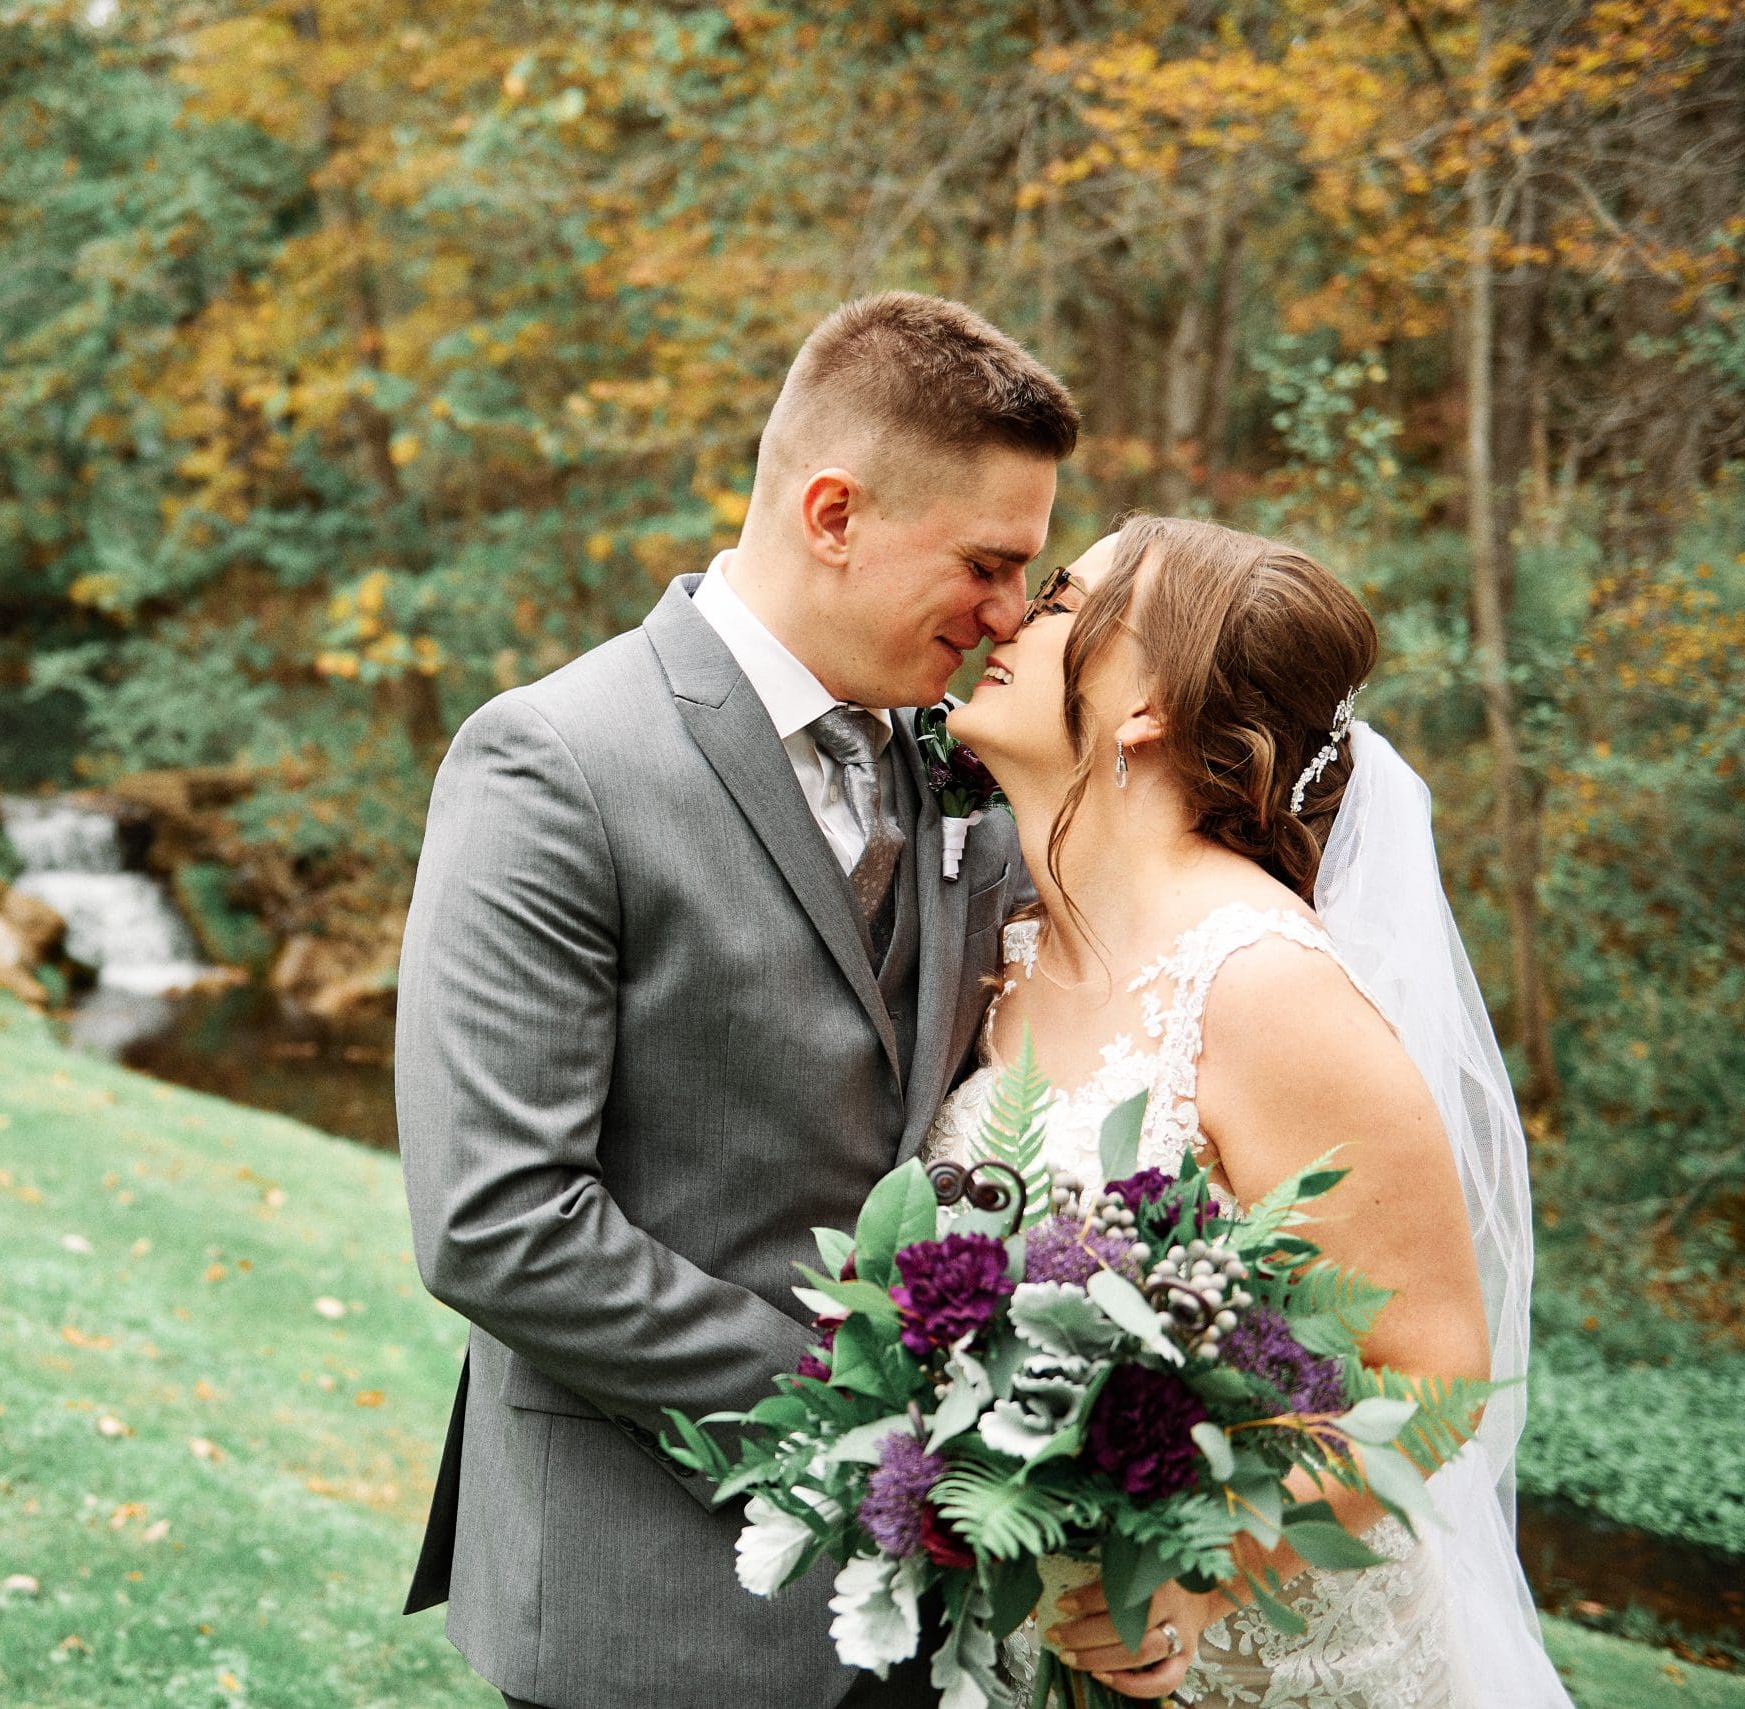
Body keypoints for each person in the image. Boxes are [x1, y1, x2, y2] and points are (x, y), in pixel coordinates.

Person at [396, 291, 1078, 1709]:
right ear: (833, 512)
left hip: (921, 1609)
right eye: (989, 563)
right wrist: (871, 1416)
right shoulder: (555, 762)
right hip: (648, 1593)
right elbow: (496, 1223)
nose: (1013, 614)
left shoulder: (959, 764)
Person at [927, 514, 1571, 1707]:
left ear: (1146, 707)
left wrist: (1202, 1555)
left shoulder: (1266, 989)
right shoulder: (1002, 940)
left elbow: (1438, 1381)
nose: (1012, 614)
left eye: (1064, 599)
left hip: (1273, 1659)